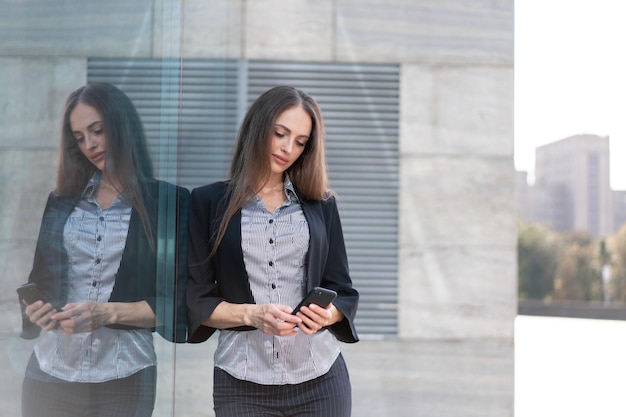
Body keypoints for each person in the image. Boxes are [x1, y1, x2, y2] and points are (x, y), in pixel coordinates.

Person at [186, 85, 359, 417]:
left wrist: (328, 314)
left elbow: (342, 290)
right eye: (280, 133)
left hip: (320, 378)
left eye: (300, 142)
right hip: (241, 382)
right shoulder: (207, 203)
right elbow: (196, 301)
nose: (288, 148)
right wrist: (253, 316)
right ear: (258, 127)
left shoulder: (322, 205)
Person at [18, 82, 189, 417]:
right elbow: (39, 280)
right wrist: (37, 312)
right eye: (79, 137)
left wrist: (107, 313)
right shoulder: (60, 202)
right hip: (50, 371)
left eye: (97, 130)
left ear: (121, 126)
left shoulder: (168, 204)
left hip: (125, 376)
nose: (90, 144)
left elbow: (176, 304)